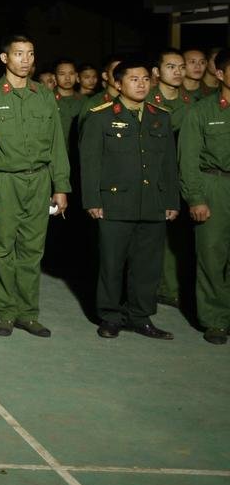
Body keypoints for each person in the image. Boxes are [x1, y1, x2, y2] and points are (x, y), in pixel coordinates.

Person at [0, 35, 70, 337]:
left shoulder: (44, 95)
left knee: (31, 251)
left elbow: (57, 144)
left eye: (30, 54)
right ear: (5, 59)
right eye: (18, 54)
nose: (26, 60)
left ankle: (28, 313)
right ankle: (5, 313)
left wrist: (60, 186)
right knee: (2, 249)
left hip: (39, 181)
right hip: (3, 181)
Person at [80, 57, 179, 340]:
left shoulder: (161, 116)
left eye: (146, 79)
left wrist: (171, 201)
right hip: (114, 203)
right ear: (118, 83)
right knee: (112, 264)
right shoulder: (100, 116)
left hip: (152, 203)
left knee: (147, 266)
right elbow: (90, 163)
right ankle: (110, 316)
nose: (141, 84)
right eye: (133, 79)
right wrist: (92, 201)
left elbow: (169, 164)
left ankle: (140, 316)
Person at [178, 49, 230, 345]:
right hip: (214, 186)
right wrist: (195, 198)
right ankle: (215, 320)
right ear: (220, 74)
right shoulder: (201, 111)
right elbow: (188, 159)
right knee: (212, 255)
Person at [150, 48, 196, 308]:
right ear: (157, 72)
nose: (178, 71)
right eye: (171, 67)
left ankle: (173, 288)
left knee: (179, 237)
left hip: (182, 177)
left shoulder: (193, 103)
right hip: (153, 178)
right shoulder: (147, 101)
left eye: (181, 67)